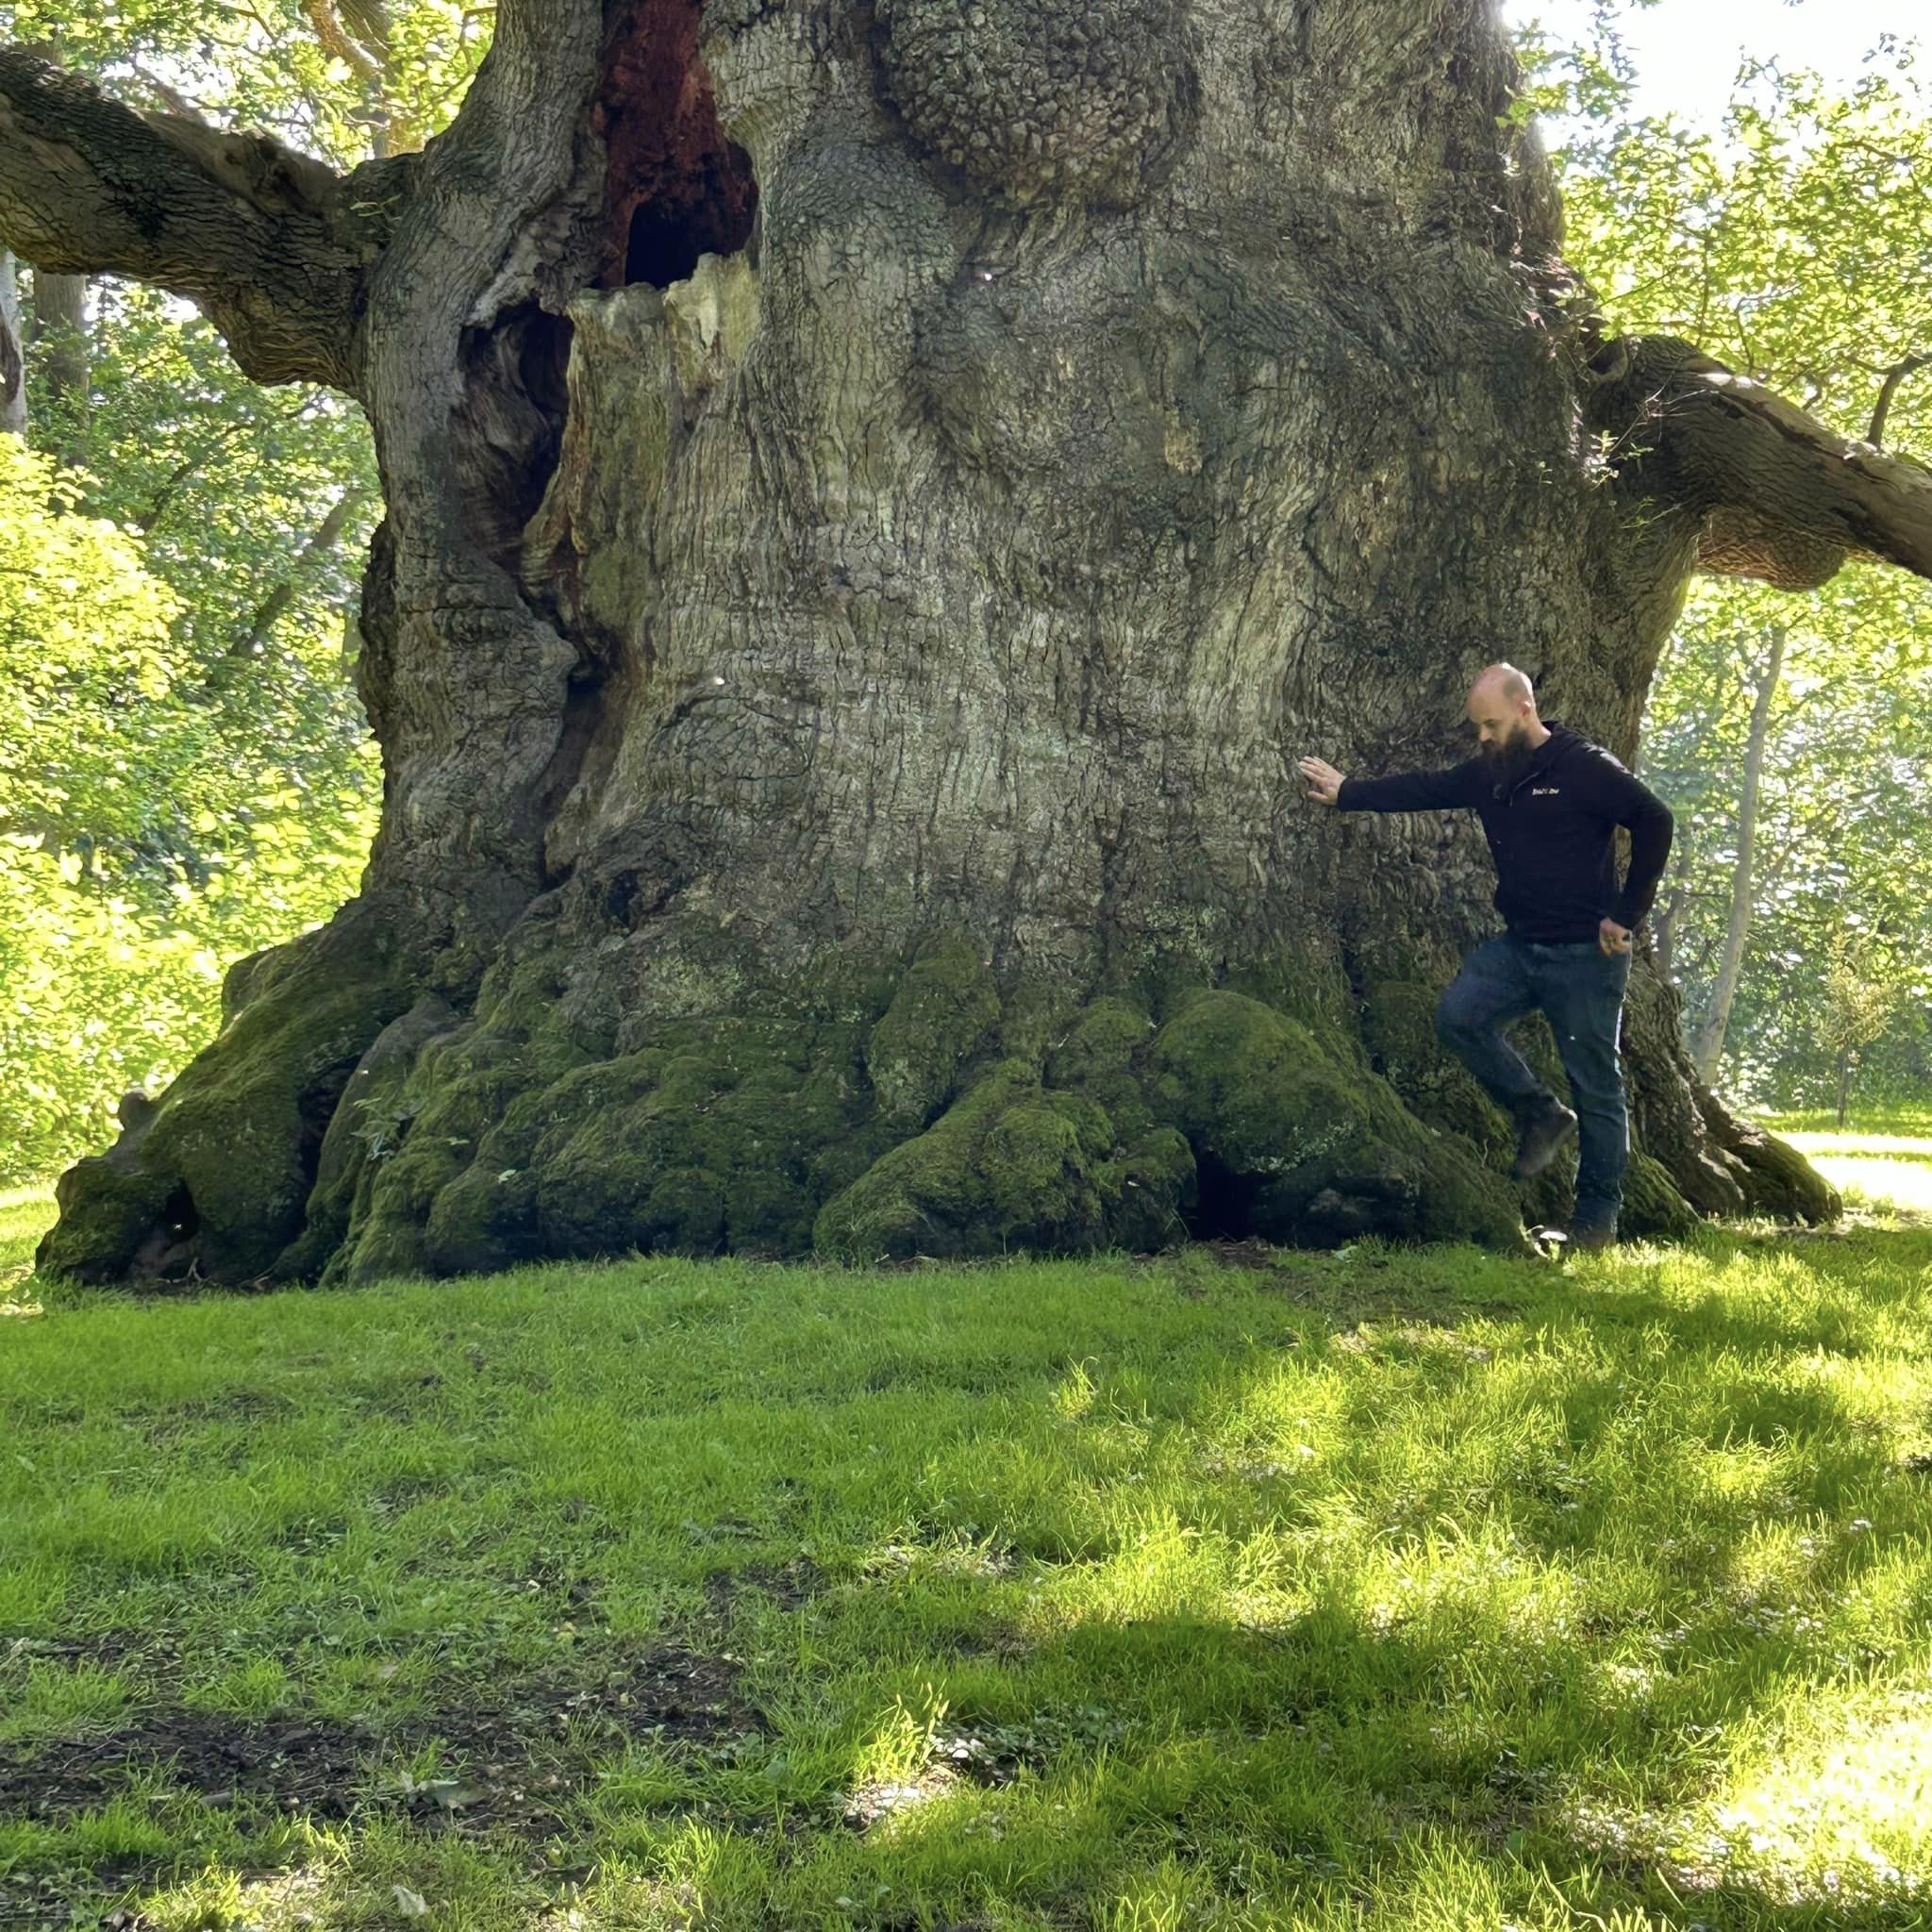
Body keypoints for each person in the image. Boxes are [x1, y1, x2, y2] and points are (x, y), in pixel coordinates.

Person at [1298, 664, 1674, 1250]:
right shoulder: (1492, 773)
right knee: (1460, 1018)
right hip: (1520, 948)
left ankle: (1596, 1222)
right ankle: (1540, 1113)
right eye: (1478, 727)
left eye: (1491, 724)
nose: (1483, 737)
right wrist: (1349, 793)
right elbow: (1427, 788)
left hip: (1585, 955)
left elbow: (1656, 819)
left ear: (1525, 709)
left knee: (1597, 1086)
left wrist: (1627, 915)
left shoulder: (1584, 766)